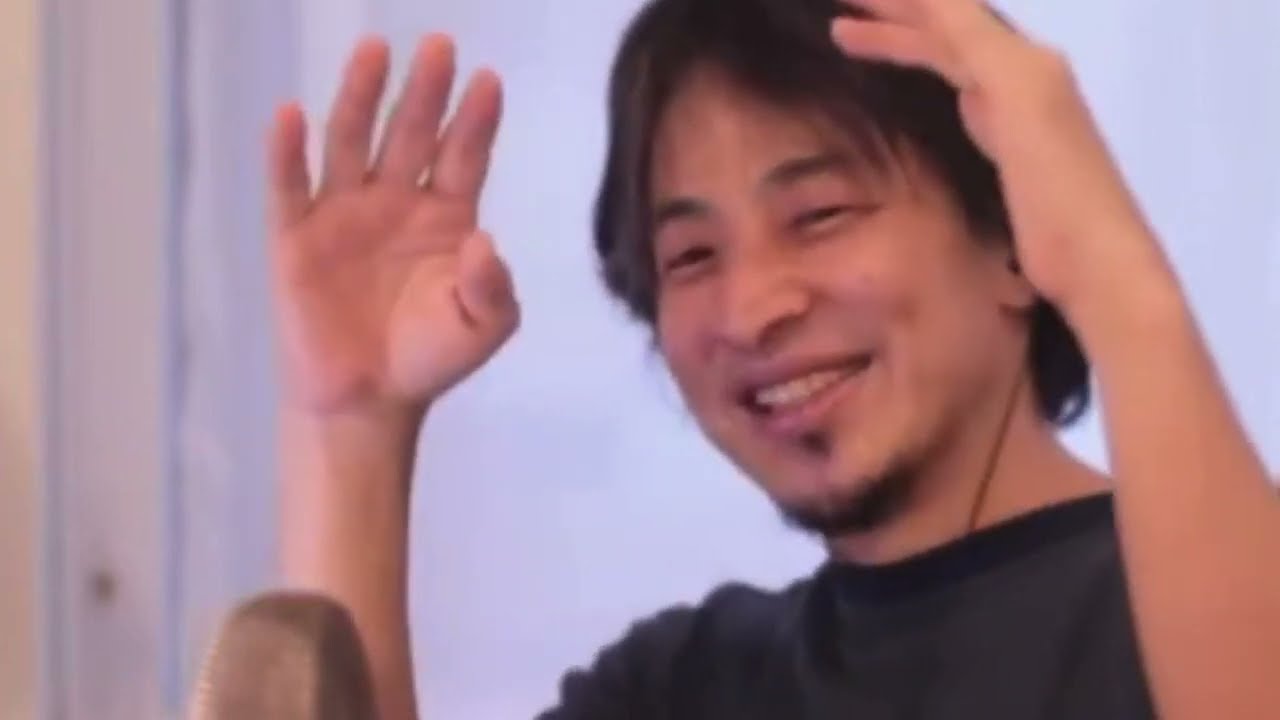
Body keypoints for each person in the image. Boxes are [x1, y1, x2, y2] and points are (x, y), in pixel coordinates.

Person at [265, 0, 1280, 717]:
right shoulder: (686, 687)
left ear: (1016, 236)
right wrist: (354, 422)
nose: (751, 311)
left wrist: (1117, 279)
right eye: (691, 256)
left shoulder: (1189, 601)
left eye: (820, 214)